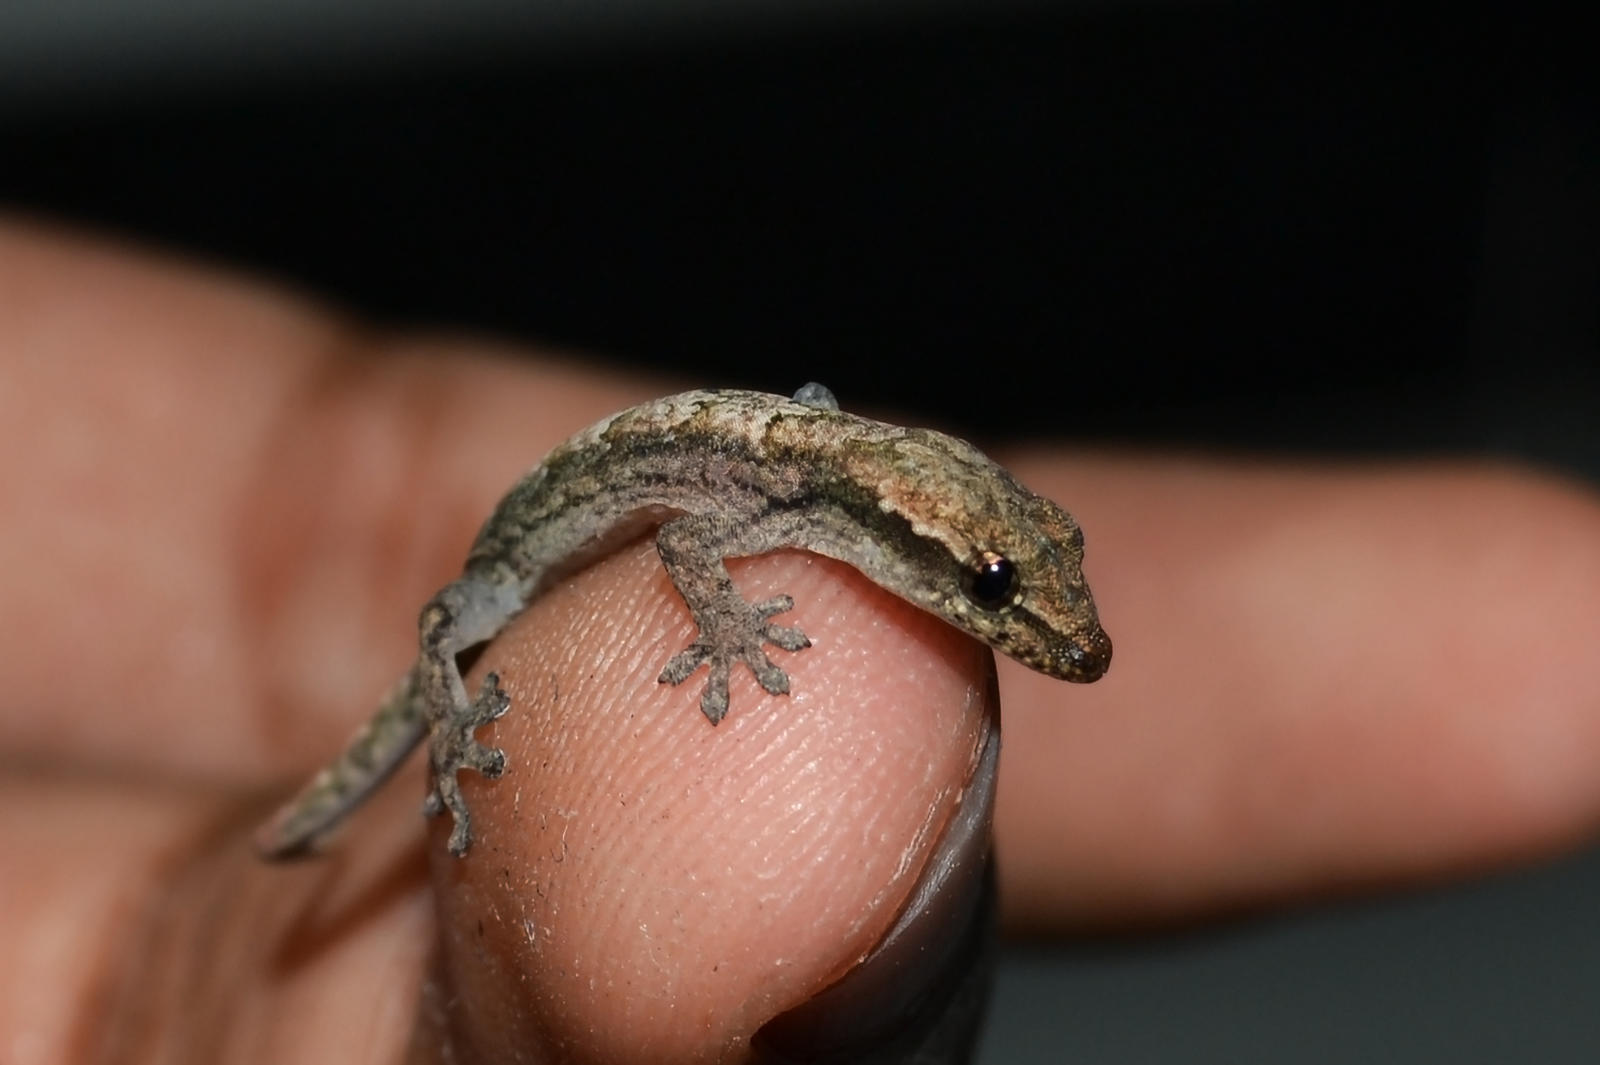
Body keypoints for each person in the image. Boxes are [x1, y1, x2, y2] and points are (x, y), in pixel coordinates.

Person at [4, 217, 1598, 1062]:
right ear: (907, 528)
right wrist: (488, 713)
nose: (1029, 627)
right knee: (472, 632)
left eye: (1020, 578)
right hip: (503, 574)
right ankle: (421, 750)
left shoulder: (825, 486)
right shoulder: (758, 507)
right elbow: (692, 536)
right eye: (991, 587)